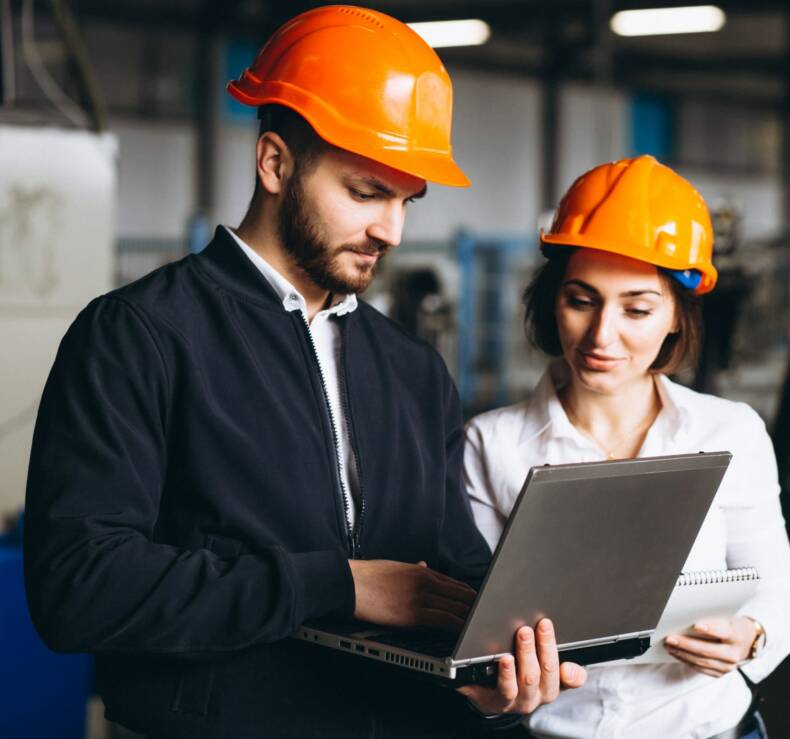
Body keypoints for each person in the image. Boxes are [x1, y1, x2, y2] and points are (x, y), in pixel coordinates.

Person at [23, 7, 584, 738]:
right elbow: (80, 586)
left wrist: (495, 676)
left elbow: (452, 582)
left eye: (406, 199)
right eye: (365, 192)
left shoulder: (412, 369)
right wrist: (337, 585)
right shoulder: (140, 335)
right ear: (275, 163)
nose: (392, 230)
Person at [464, 155, 790, 739]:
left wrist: (752, 635)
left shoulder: (730, 432)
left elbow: (775, 585)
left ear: (676, 315)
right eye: (581, 300)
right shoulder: (492, 445)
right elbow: (474, 634)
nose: (602, 336)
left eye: (637, 309)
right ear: (553, 301)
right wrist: (498, 692)